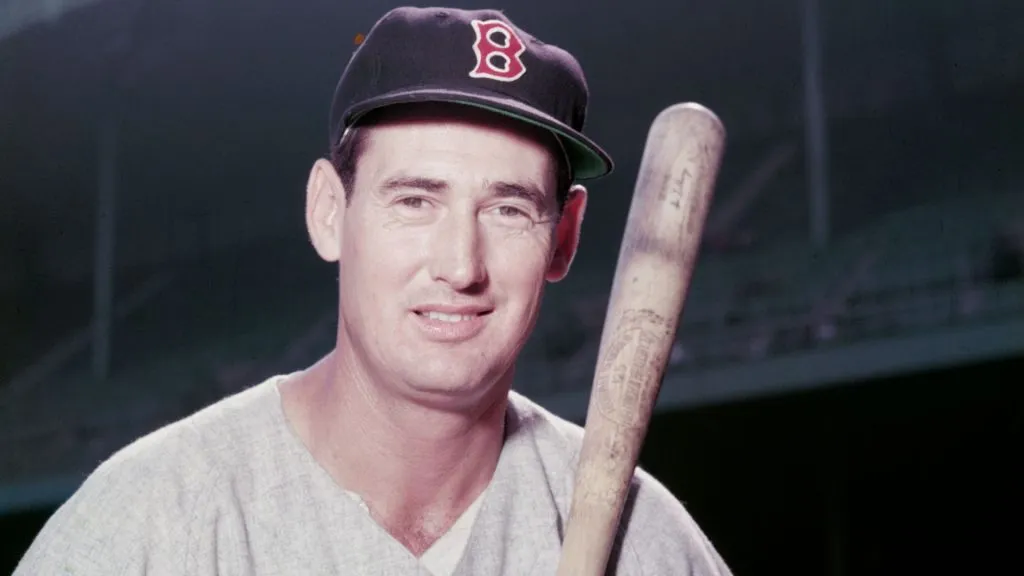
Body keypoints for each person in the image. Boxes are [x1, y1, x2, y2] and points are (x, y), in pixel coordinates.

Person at [15, 7, 732, 575]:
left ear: (564, 237)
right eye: (415, 200)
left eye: (508, 208)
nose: (461, 263)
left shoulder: (646, 544)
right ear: (330, 212)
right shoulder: (149, 522)